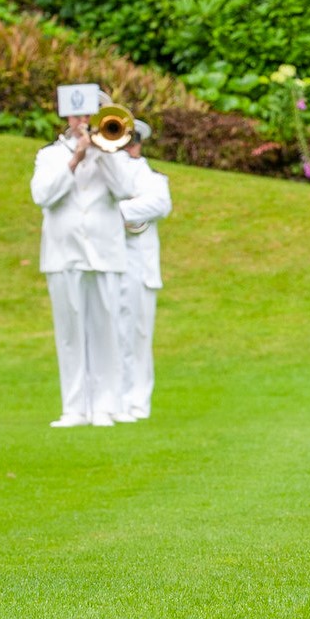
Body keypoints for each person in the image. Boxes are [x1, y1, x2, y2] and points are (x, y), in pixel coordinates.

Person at [32, 91, 134, 428]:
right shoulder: (48, 155)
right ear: (67, 119)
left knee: (106, 330)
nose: (83, 123)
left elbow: (125, 190)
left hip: (105, 253)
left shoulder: (115, 154)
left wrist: (102, 153)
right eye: (77, 117)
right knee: (69, 333)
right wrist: (75, 158)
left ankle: (105, 406)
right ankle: (74, 408)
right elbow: (42, 196)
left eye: (89, 116)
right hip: (63, 254)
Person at [119, 121, 171, 422]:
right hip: (105, 264)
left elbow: (160, 204)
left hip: (139, 267)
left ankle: (137, 402)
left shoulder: (152, 178)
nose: (128, 149)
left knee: (137, 335)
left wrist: (113, 213)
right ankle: (110, 400)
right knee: (106, 334)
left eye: (131, 142)